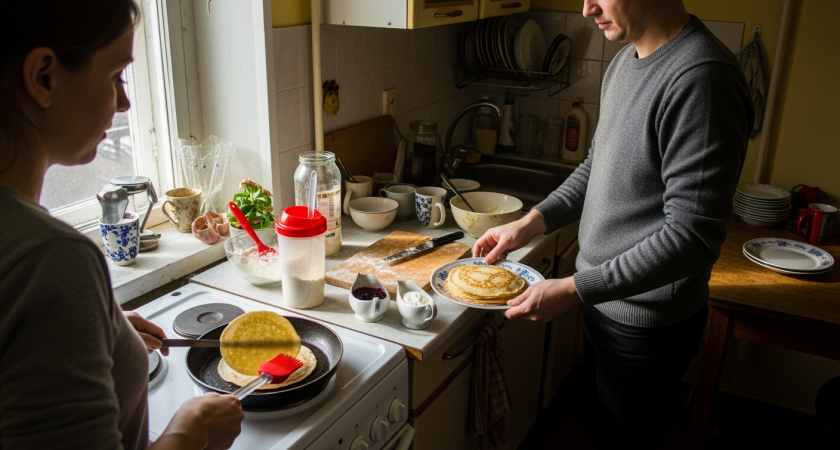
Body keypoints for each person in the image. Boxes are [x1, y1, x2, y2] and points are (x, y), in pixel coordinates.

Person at [474, 0, 753, 447]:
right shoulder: (626, 59)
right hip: (606, 303)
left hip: (648, 326)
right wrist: (531, 222)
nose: (587, 9)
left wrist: (573, 288)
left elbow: (692, 238)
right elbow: (595, 166)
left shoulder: (702, 79)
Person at [0, 1, 244, 449]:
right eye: (116, 77)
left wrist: (103, 333)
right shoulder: (50, 259)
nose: (126, 101)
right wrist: (193, 431)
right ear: (43, 78)